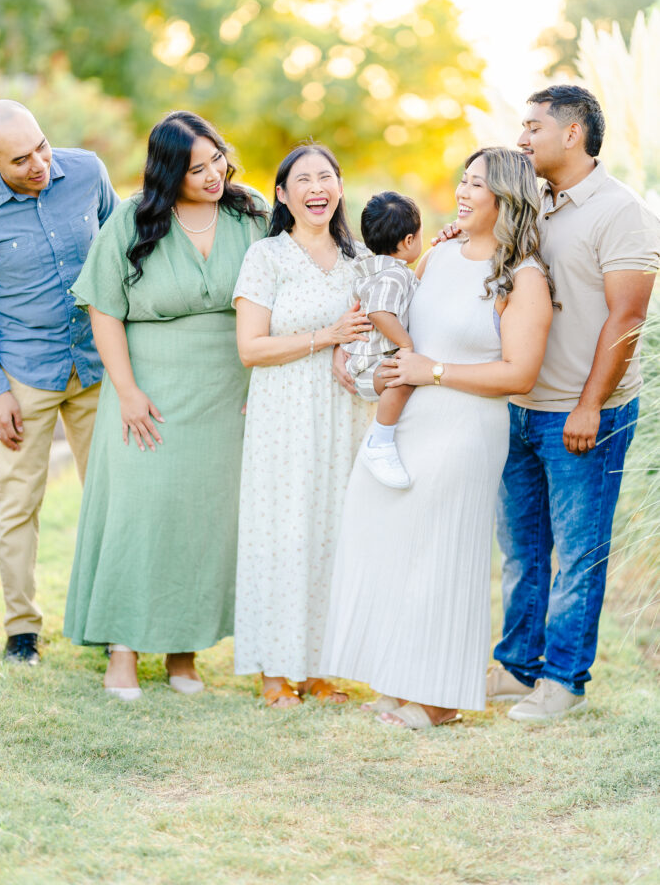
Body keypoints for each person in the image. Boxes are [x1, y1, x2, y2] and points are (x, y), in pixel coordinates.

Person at [321, 147, 555, 730]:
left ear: (505, 197)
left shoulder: (521, 277)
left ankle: (439, 697)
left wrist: (436, 373)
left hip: (467, 426)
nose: (462, 190)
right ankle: (399, 676)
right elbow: (403, 327)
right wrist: (377, 367)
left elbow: (519, 374)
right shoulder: (439, 254)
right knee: (393, 541)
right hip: (411, 419)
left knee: (442, 554)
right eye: (463, 179)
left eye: (477, 184)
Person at [63, 111, 268, 700]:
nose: (211, 175)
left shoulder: (248, 212)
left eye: (216, 161)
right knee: (138, 515)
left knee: (202, 522)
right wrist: (125, 391)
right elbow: (104, 309)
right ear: (168, 171)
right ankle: (121, 651)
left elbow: (310, 251)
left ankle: (184, 653)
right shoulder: (133, 218)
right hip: (147, 392)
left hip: (224, 395)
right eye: (194, 168)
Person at [483, 86, 660, 722]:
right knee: (524, 551)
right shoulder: (532, 204)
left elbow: (628, 317)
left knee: (578, 555)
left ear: (573, 133)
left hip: (585, 414)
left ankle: (563, 679)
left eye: (532, 126)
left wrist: (589, 406)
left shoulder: (623, 213)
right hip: (521, 407)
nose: (522, 138)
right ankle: (517, 666)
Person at [0, 99, 118, 666]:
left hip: (98, 367)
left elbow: (122, 256)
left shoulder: (87, 173)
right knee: (17, 504)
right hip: (24, 374)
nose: (39, 164)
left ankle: (114, 619)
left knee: (112, 497)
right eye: (20, 159)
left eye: (42, 146)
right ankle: (21, 631)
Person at [233, 143, 374, 707]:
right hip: (282, 416)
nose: (317, 188)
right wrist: (326, 338)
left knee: (334, 533)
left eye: (326, 177)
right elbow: (251, 348)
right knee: (282, 533)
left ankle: (321, 667)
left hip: (344, 413)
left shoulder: (361, 258)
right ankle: (274, 672)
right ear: (283, 194)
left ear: (339, 187)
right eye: (304, 180)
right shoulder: (266, 257)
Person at [343, 191, 422, 490]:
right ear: (409, 241)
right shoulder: (392, 276)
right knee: (403, 378)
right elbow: (379, 312)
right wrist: (406, 344)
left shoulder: (381, 270)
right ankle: (380, 443)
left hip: (367, 363)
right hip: (369, 367)